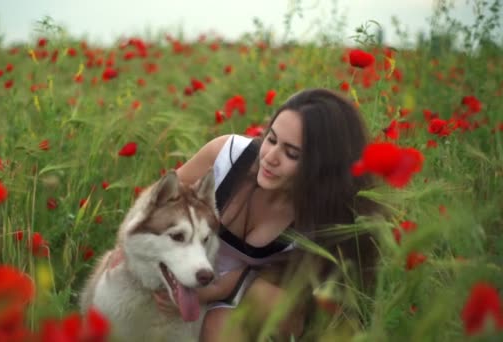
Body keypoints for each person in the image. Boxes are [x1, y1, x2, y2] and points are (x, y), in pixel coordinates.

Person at [152, 88, 382, 341]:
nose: (270, 158)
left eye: (291, 154)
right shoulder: (227, 157)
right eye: (271, 140)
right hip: (176, 274)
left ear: (322, 169)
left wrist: (219, 289)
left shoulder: (322, 219)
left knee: (227, 319)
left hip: (240, 300)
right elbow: (155, 206)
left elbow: (296, 309)